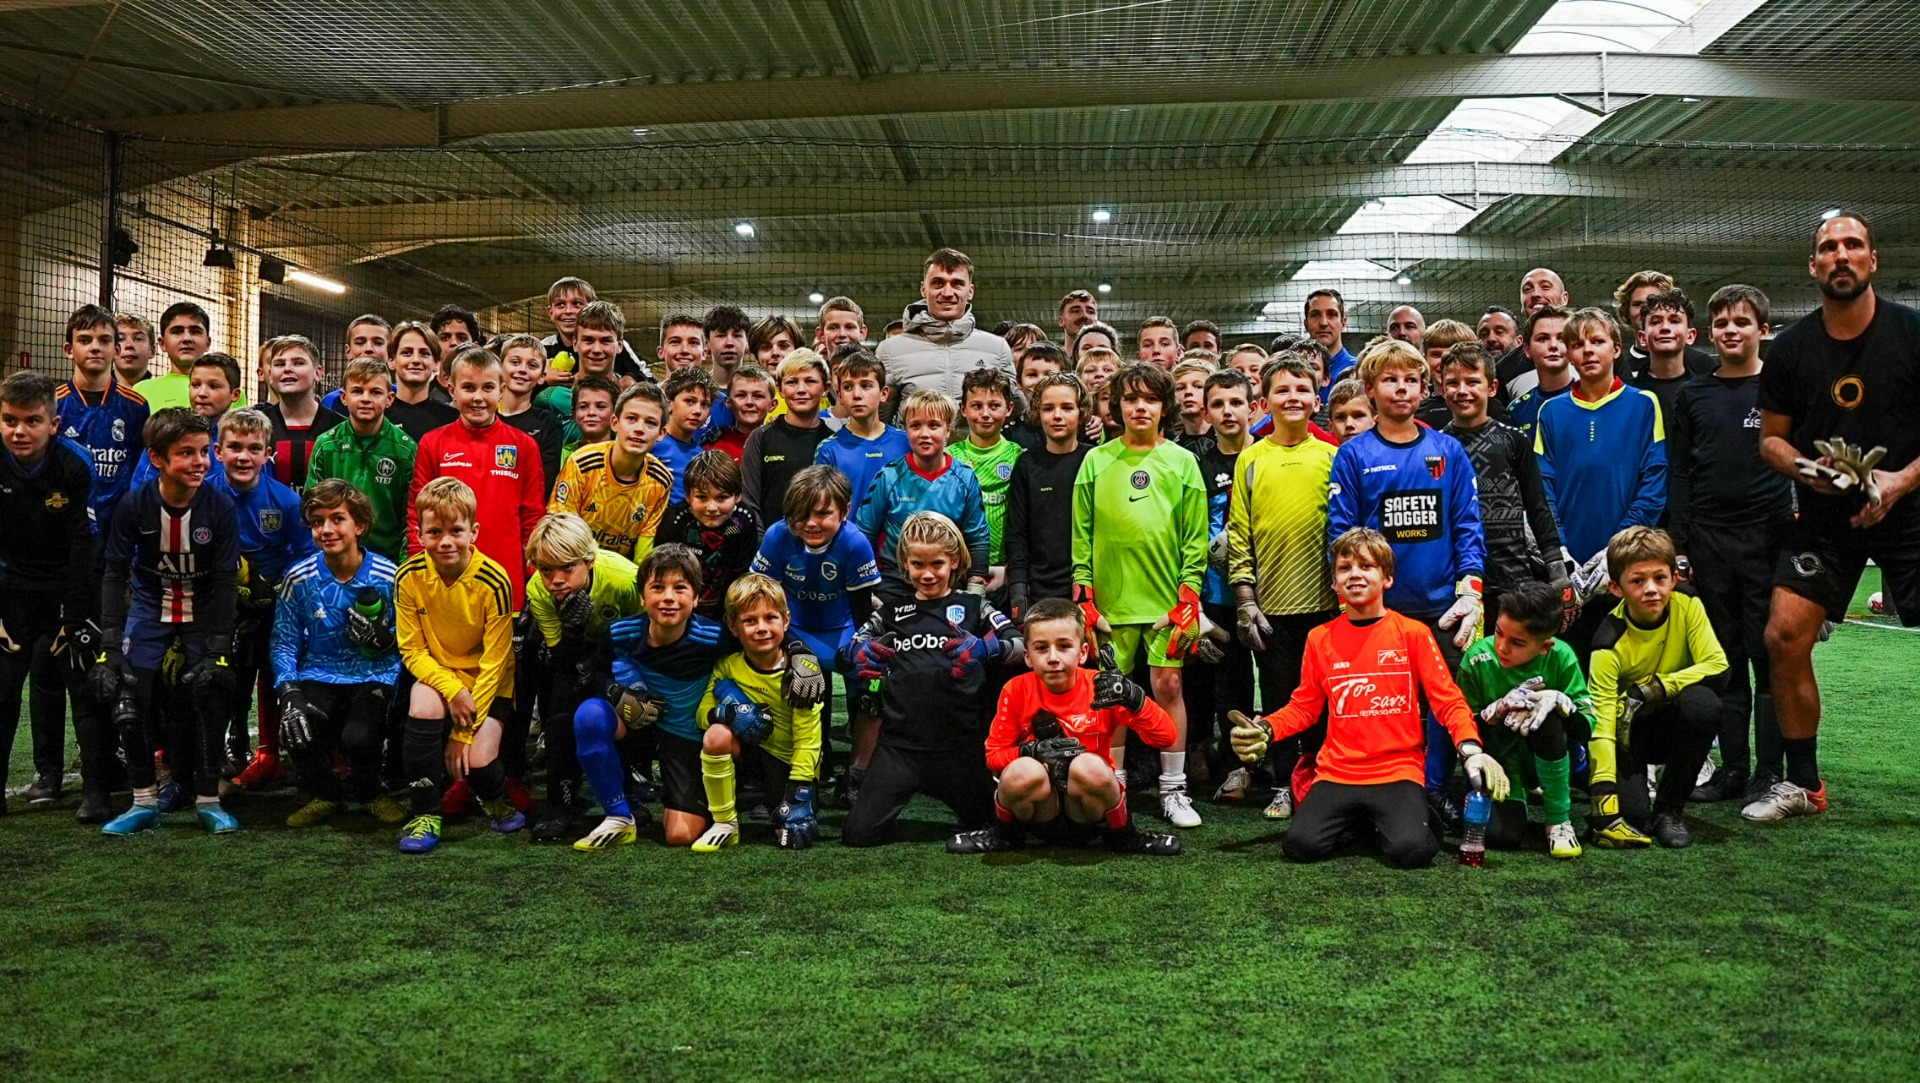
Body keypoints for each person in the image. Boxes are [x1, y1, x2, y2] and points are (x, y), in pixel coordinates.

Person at [1749, 212, 1920, 821]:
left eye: (1853, 246)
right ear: (1814, 266)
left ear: (1872, 261)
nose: (1840, 256)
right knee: (1784, 635)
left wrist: (1899, 481)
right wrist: (1810, 472)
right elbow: (1772, 439)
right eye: (1828, 248)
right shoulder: (1792, 348)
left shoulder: (1911, 332)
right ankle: (1803, 785)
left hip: (1910, 506)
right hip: (1824, 515)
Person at [1226, 528, 1507, 868]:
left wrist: (1470, 749)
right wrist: (1267, 729)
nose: (1355, 574)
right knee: (1300, 846)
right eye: (1344, 568)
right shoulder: (1320, 638)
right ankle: (1368, 820)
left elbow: (1448, 701)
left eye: (1366, 566)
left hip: (1397, 770)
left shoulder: (1413, 634)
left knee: (1413, 851)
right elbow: (1303, 707)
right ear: (1334, 583)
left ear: (1386, 578)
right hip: (1337, 771)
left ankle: (1407, 816)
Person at [576, 545, 824, 851]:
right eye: (657, 588)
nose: (668, 597)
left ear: (696, 597)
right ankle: (618, 815)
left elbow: (763, 632)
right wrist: (615, 693)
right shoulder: (620, 632)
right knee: (589, 716)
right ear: (642, 596)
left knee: (680, 835)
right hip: (637, 727)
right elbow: (594, 673)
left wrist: (801, 652)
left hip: (686, 736)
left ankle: (718, 809)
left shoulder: (714, 638)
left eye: (680, 588)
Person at [1072, 363, 1211, 828]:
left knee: (1168, 687)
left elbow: (1195, 538)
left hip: (1165, 605)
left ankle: (1174, 789)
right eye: (1130, 399)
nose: (1139, 407)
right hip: (1110, 606)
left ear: (1163, 407)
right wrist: (1085, 599)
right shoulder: (1095, 460)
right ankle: (1113, 787)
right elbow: (1081, 534)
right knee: (1110, 694)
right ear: (1117, 406)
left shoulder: (1182, 461)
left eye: (1149, 399)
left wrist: (1188, 599)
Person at [1669, 284, 1793, 804]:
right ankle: (1733, 771)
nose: (1731, 331)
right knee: (1724, 661)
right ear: (1711, 332)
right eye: (1721, 323)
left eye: (1741, 322)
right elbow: (1679, 473)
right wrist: (1680, 542)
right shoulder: (1694, 394)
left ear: (1762, 329)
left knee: (1770, 658)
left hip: (1768, 540)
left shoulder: (1783, 391)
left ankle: (1771, 771)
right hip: (1709, 543)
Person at [94, 408, 243, 836]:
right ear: (157, 458)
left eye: (202, 451)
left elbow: (226, 579)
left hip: (203, 612)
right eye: (186, 453)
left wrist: (218, 647)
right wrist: (110, 640)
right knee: (126, 694)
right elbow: (114, 573)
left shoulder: (219, 507)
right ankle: (143, 799)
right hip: (148, 610)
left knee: (213, 692)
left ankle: (208, 799)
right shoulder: (134, 504)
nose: (200, 462)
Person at [839, 512, 1020, 846]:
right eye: (917, 565)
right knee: (857, 835)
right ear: (905, 565)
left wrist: (985, 649)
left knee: (1002, 827)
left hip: (959, 747)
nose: (926, 574)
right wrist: (858, 655)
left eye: (936, 563)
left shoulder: (974, 606)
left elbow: (1022, 647)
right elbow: (848, 650)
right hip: (899, 749)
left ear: (954, 561)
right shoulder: (890, 612)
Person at [949, 598, 1183, 855]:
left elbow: (1166, 737)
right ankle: (1003, 836)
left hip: (1089, 814)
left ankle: (1125, 837)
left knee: (1089, 765)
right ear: (1027, 657)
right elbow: (994, 757)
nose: (1053, 658)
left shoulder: (1103, 688)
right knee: (1021, 771)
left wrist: (1135, 700)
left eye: (1063, 646)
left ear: (1082, 652)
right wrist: (1032, 751)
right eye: (1041, 648)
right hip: (1039, 815)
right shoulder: (1016, 689)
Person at [1224, 356, 1341, 816]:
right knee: (1278, 698)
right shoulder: (1251, 458)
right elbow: (1239, 534)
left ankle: (1321, 777)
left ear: (1317, 399)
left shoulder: (1333, 454)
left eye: (1301, 389)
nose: (1292, 397)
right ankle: (1280, 784)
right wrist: (1245, 600)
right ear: (1264, 401)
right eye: (1282, 390)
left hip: (1325, 605)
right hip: (1271, 608)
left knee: (1324, 698)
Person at [392, 477, 525, 852]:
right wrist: (452, 690)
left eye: (456, 530)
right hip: (440, 676)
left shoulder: (494, 579)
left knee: (478, 762)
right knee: (421, 704)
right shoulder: (408, 576)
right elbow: (412, 651)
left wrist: (461, 734)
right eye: (435, 532)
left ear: (474, 531)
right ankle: (424, 813)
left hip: (488, 680)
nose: (446, 541)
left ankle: (494, 796)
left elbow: (497, 660)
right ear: (419, 533)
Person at [0, 372, 108, 820]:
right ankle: (25, 782)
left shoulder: (75, 465)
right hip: (12, 591)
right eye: (9, 420)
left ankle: (97, 792)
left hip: (67, 586)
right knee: (3, 692)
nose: (19, 431)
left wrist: (76, 617)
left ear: (54, 424)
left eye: (32, 421)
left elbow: (85, 545)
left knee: (83, 689)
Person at [270, 479, 408, 828]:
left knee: (359, 736)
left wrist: (386, 640)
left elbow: (412, 637)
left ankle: (370, 792)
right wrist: (289, 690)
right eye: (317, 522)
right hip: (319, 672)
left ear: (359, 525)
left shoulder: (389, 576)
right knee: (299, 722)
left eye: (337, 519)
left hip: (375, 674)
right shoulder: (298, 578)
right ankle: (323, 794)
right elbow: (284, 641)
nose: (326, 529)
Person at [1533, 308, 1667, 655]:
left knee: (1623, 662)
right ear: (1569, 353)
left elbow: (1653, 482)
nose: (1588, 351)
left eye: (1598, 341)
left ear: (1616, 349)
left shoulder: (1644, 404)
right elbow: (1542, 488)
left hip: (1625, 564)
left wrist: (1618, 550)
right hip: (1569, 568)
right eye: (1578, 344)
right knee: (1571, 664)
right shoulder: (1550, 412)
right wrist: (1559, 550)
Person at [1586, 526, 1727, 849]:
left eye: (1660, 578)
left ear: (1673, 579)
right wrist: (1603, 799)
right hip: (1627, 735)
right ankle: (1589, 779)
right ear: (1616, 588)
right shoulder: (1607, 644)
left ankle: (1669, 811)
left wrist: (1655, 687)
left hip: (1672, 723)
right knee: (1632, 816)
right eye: (1637, 581)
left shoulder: (1688, 605)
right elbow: (1603, 724)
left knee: (1703, 704)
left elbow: (1718, 666)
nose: (1651, 589)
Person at [753, 464, 881, 800]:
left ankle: (858, 770)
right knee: (804, 682)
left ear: (845, 510)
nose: (810, 523)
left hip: (842, 628)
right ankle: (811, 764)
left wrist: (859, 648)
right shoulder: (778, 536)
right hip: (794, 627)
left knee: (869, 678)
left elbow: (862, 612)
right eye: (800, 514)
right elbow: (766, 599)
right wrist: (793, 647)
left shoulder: (854, 543)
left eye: (823, 513)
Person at [213, 408, 319, 789]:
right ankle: (229, 747)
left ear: (267, 454)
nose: (244, 456)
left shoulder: (286, 502)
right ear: (218, 451)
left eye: (254, 448)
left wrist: (275, 596)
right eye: (235, 447)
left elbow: (306, 556)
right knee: (225, 678)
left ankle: (273, 753)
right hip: (219, 605)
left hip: (274, 606)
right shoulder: (204, 494)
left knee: (274, 674)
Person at [522, 512, 641, 843]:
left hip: (625, 656)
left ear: (588, 561)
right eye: (546, 570)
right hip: (574, 657)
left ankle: (629, 789)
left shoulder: (624, 579)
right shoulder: (538, 590)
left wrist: (609, 669)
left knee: (631, 705)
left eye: (566, 568)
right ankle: (561, 802)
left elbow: (648, 635)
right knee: (559, 715)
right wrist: (573, 631)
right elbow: (560, 656)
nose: (556, 579)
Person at [1438, 343, 1574, 631]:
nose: (1462, 390)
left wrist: (1556, 568)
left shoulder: (1514, 441)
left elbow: (1538, 506)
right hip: (1458, 578)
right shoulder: (1436, 446)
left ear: (1492, 387)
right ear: (1442, 387)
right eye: (1453, 383)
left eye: (1473, 381)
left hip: (1515, 574)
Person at [1451, 580, 1590, 860]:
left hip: (1554, 752)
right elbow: (1461, 726)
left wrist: (1563, 705)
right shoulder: (1477, 659)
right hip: (1502, 761)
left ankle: (1558, 820)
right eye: (1499, 633)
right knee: (1503, 836)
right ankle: (1519, 795)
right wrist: (1496, 712)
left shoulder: (1561, 656)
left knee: (1546, 716)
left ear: (1544, 646)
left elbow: (1587, 726)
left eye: (1517, 642)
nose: (1502, 647)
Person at [691, 573, 825, 852]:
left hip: (788, 764)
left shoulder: (802, 674)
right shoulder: (727, 666)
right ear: (732, 625)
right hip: (749, 756)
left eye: (770, 618)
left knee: (787, 835)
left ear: (786, 621)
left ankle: (774, 800)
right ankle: (725, 823)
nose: (761, 628)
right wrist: (729, 714)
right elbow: (702, 715)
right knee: (716, 734)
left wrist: (798, 793)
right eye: (750, 620)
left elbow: (808, 742)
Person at [408, 346, 546, 608]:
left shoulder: (523, 446)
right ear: (452, 390)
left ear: (501, 391)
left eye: (488, 388)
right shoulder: (432, 443)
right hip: (446, 576)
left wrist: (534, 574)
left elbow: (533, 516)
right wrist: (419, 568)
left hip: (507, 581)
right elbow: (417, 511)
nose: (478, 397)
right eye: (469, 388)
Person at [1182, 369, 1256, 791]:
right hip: (1213, 594)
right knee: (1219, 679)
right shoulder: (1197, 464)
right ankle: (1215, 757)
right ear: (1206, 412)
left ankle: (1255, 761)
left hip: (1265, 591)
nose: (1228, 411)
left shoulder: (1264, 456)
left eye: (1235, 402)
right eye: (1218, 404)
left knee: (1257, 680)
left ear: (1253, 406)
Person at [856, 389, 991, 595]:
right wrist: (870, 587)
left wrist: (976, 587)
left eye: (934, 425)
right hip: (896, 583)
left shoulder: (964, 478)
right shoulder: (889, 476)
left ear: (948, 430)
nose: (924, 434)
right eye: (915, 426)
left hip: (950, 581)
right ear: (906, 430)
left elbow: (978, 538)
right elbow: (865, 533)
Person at [308, 356, 418, 562]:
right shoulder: (326, 445)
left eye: (375, 392)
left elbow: (412, 516)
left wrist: (405, 565)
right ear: (344, 397)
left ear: (390, 399)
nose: (366, 398)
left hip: (389, 559)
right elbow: (312, 509)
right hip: (336, 558)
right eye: (357, 391)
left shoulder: (406, 450)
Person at [1005, 373, 1095, 618]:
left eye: (1067, 407)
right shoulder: (1026, 464)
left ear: (1082, 411)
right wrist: (1018, 588)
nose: (1057, 416)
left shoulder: (1096, 460)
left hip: (1090, 587)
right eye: (1048, 408)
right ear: (1037, 413)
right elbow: (1017, 533)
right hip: (1039, 588)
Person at [550, 383, 673, 562]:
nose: (639, 428)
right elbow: (560, 532)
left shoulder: (660, 480)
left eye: (650, 423)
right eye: (631, 418)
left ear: (661, 433)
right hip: (573, 563)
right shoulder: (581, 463)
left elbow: (643, 554)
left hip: (621, 573)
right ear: (615, 423)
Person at [875, 248, 1017, 402]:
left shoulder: (997, 348)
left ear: (970, 291)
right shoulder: (890, 350)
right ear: (923, 289)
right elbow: (879, 418)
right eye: (938, 283)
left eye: (957, 284)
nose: (948, 293)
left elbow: (1012, 411)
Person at [56, 304, 151, 532]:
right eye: (85, 340)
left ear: (116, 350)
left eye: (105, 340)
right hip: (65, 524)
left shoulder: (136, 406)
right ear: (69, 349)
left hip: (118, 525)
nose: (95, 347)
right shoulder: (52, 403)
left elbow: (141, 467)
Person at [652, 449, 761, 622]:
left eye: (722, 497)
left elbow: (741, 572)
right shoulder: (677, 520)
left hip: (725, 603)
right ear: (688, 496)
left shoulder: (744, 519)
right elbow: (662, 574)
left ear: (738, 495)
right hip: (680, 604)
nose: (712, 507)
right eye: (702, 497)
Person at [950, 367, 1023, 599]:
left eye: (994, 405)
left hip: (1005, 569)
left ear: (1009, 408)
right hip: (960, 569)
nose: (985, 414)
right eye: (976, 405)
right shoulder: (950, 457)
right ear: (963, 409)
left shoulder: (1019, 456)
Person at [741, 350, 833, 522]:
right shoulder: (760, 438)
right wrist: (764, 545)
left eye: (810, 381)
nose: (801, 390)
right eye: (792, 382)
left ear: (825, 389)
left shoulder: (834, 442)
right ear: (780, 389)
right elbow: (749, 502)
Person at [814, 350, 906, 512]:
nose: (857, 395)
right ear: (840, 396)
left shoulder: (905, 442)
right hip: (849, 536)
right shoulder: (830, 450)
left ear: (883, 394)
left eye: (866, 386)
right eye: (848, 387)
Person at [254, 334, 344, 489]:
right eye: (279, 364)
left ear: (318, 373)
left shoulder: (341, 427)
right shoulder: (255, 425)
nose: (288, 369)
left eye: (298, 363)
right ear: (270, 375)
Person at [495, 333, 565, 499]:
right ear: (500, 368)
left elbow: (544, 483)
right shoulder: (483, 416)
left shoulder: (548, 424)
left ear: (542, 377)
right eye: (515, 362)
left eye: (532, 365)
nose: (522, 370)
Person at [540, 277, 646, 385]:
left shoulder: (616, 346)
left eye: (576, 303)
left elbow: (646, 377)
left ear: (591, 309)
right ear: (550, 312)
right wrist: (542, 380)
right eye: (560, 305)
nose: (568, 311)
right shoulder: (542, 350)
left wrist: (631, 377)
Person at [1495, 268, 1569, 400]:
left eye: (1545, 287)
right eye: (1527, 289)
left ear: (1564, 298)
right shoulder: (1505, 369)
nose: (1535, 294)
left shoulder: (1593, 354)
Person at [1505, 305, 1573, 442]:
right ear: (1527, 350)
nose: (1553, 345)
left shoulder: (1595, 400)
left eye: (1562, 338)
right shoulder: (1516, 410)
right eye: (1543, 338)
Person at [385, 322, 459, 441]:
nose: (415, 360)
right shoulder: (378, 416)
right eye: (407, 353)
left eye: (424, 354)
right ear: (391, 361)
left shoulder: (452, 418)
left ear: (436, 363)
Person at [133, 302, 213, 412]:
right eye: (177, 331)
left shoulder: (228, 390)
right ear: (162, 343)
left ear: (207, 343)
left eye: (195, 331)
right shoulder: (141, 390)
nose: (187, 338)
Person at [652, 367, 714, 503]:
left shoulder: (702, 457)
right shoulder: (648, 444)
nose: (697, 411)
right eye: (690, 401)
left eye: (705, 404)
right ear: (669, 403)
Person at [706, 364, 774, 463]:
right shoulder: (712, 446)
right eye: (741, 395)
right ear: (728, 402)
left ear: (772, 404)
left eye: (758, 396)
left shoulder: (782, 443)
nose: (749, 402)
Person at [562, 373, 619, 462]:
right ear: (574, 414)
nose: (591, 413)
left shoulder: (624, 455)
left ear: (615, 414)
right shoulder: (561, 455)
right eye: (583, 407)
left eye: (601, 406)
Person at [1305, 290, 1356, 384]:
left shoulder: (1359, 371)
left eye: (1332, 314)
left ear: (1343, 322)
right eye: (1315, 315)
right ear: (1306, 324)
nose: (1323, 323)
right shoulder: (1292, 372)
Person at [655, 311, 707, 376]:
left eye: (693, 342)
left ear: (704, 353)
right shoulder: (647, 386)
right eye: (675, 342)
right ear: (661, 352)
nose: (685, 350)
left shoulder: (714, 386)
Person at [115, 312, 156, 386]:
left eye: (138, 339)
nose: (129, 345)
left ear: (152, 351)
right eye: (120, 339)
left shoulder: (161, 392)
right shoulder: (94, 391)